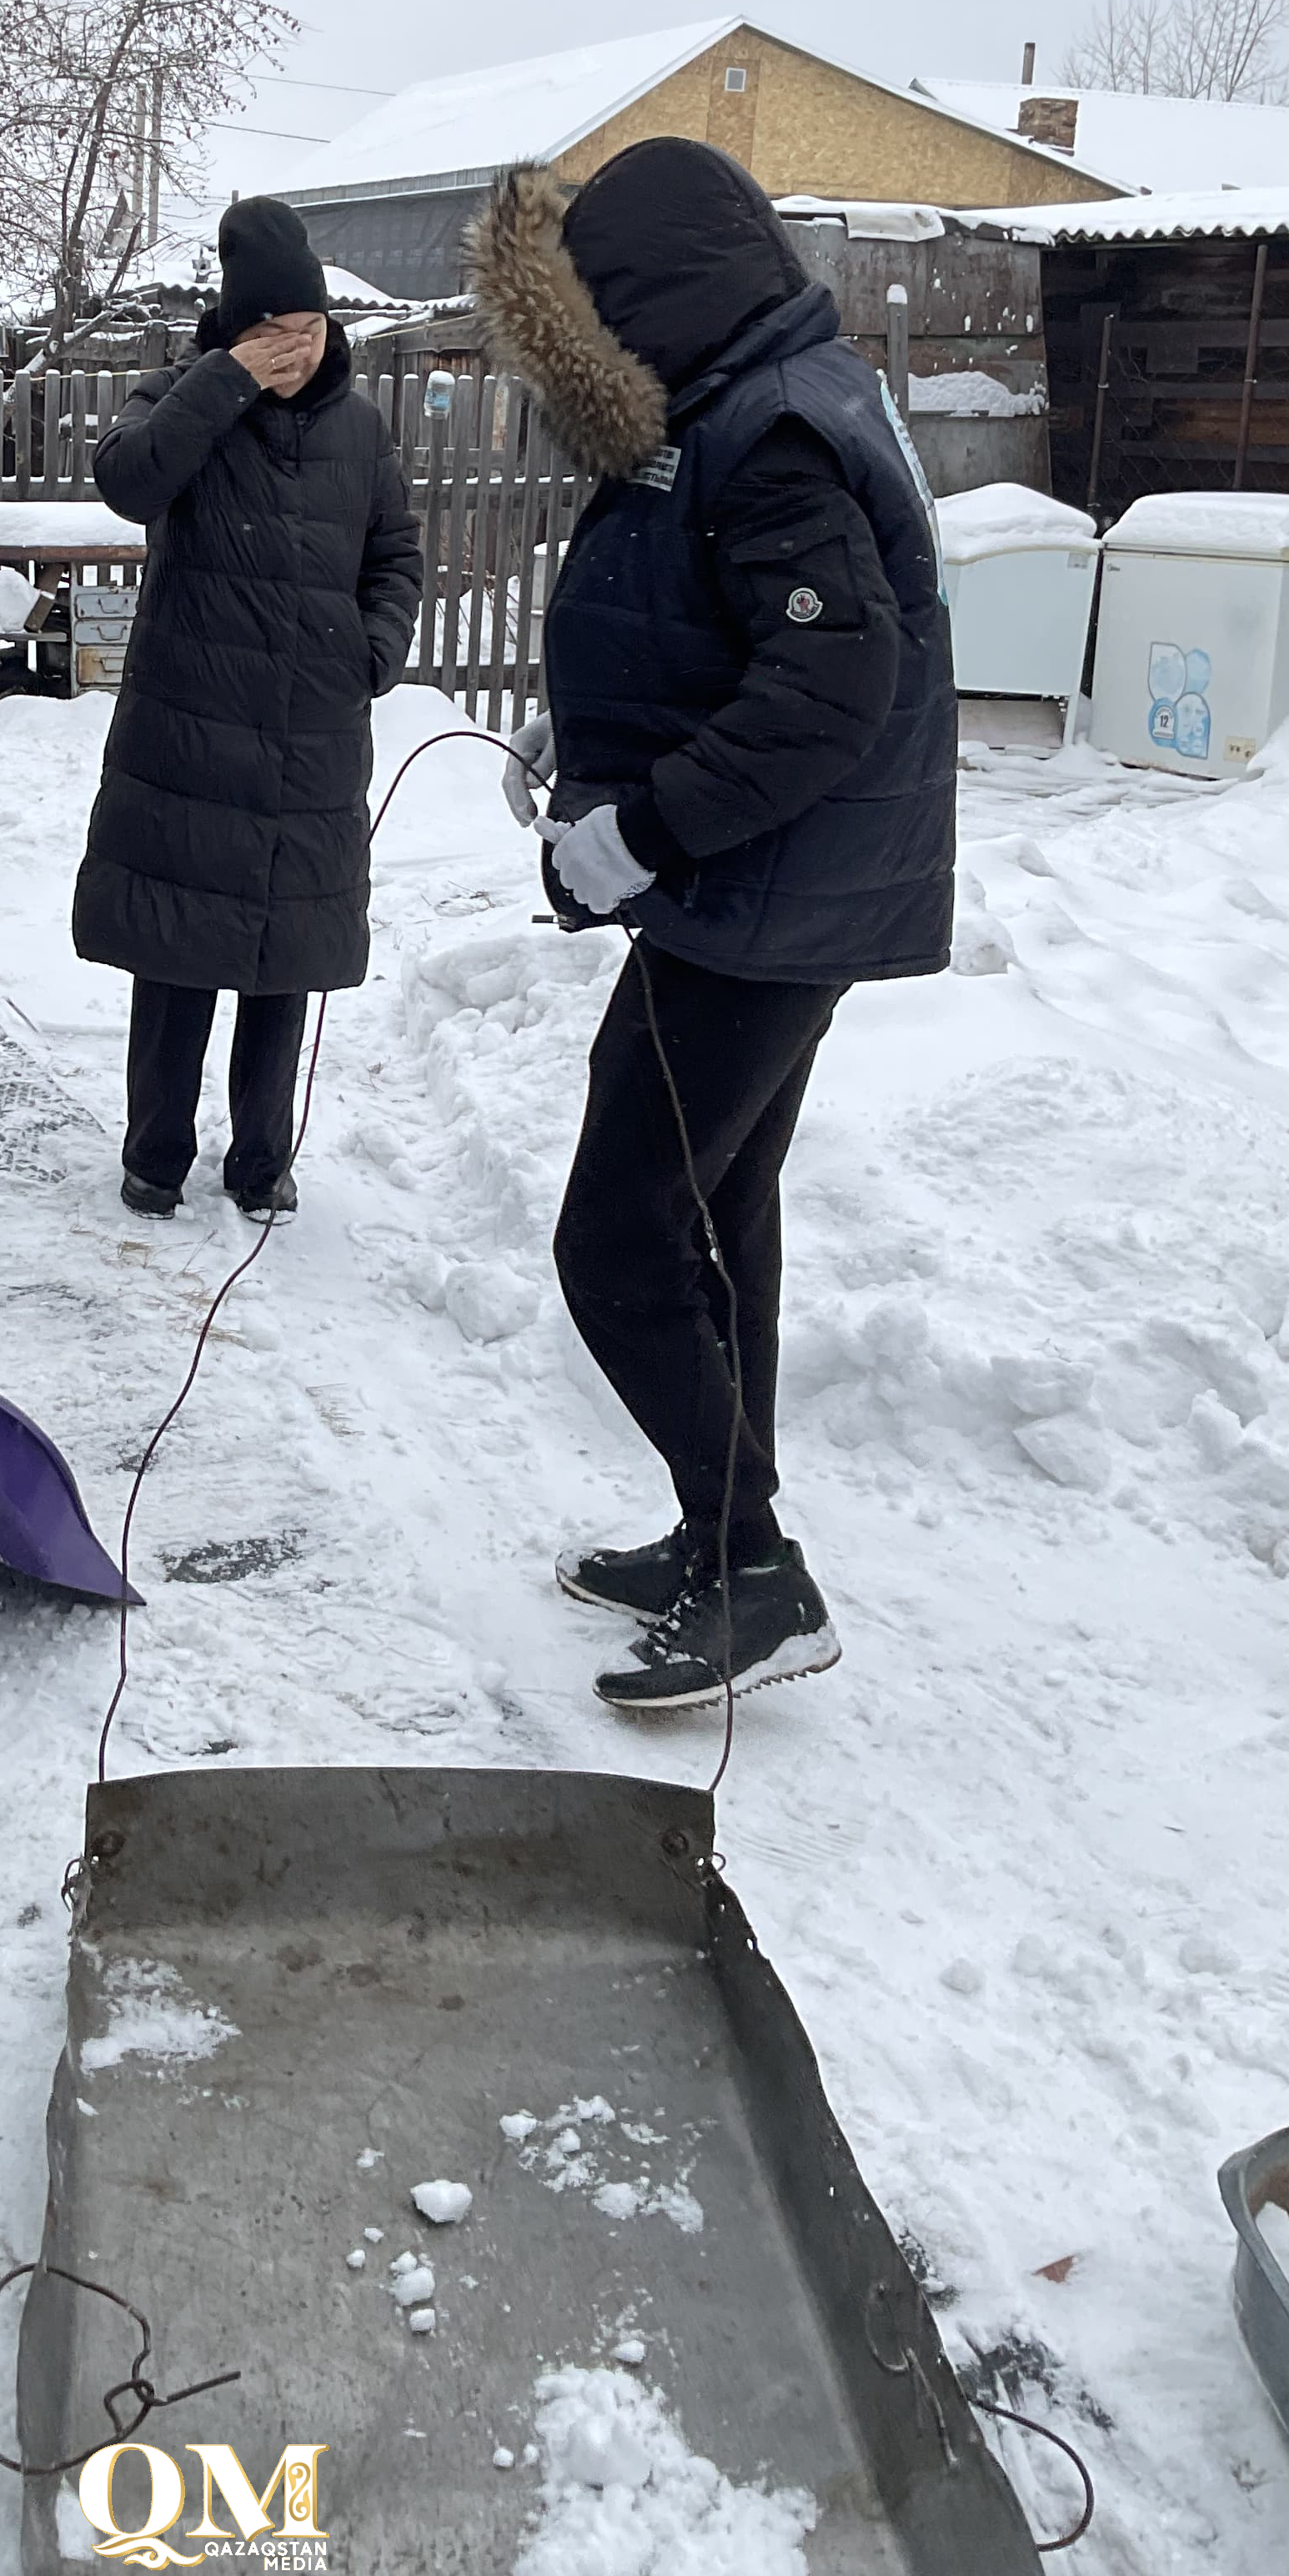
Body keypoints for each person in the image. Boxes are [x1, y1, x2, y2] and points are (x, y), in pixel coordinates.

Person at [470, 143, 955, 1715]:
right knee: (713, 1211)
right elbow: (714, 636)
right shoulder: (747, 398)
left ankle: (754, 1569)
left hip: (758, 900)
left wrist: (642, 827)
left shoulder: (770, 431)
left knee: (611, 1237)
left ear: (653, 296)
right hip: (759, 894)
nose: (590, 353)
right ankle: (714, 1533)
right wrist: (589, 748)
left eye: (597, 315)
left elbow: (825, 689)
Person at [73, 197, 424, 1222]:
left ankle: (264, 1163)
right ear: (236, 331)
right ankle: (155, 1159)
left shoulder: (360, 430)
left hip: (312, 739)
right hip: (190, 733)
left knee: (286, 961)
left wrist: (375, 649)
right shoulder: (179, 398)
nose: (295, 354)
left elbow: (397, 552)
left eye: (310, 333)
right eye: (273, 335)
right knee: (177, 957)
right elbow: (128, 482)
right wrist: (225, 381)